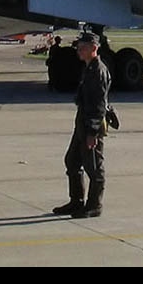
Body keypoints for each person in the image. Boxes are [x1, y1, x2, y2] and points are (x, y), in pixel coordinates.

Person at [52, 30, 111, 218]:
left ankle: (94, 205)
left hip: (91, 125)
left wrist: (92, 132)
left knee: (94, 167)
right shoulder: (88, 68)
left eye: (83, 47)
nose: (79, 50)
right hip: (82, 122)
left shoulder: (98, 71)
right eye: (78, 47)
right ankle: (76, 201)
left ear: (94, 48)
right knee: (72, 161)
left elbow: (99, 104)